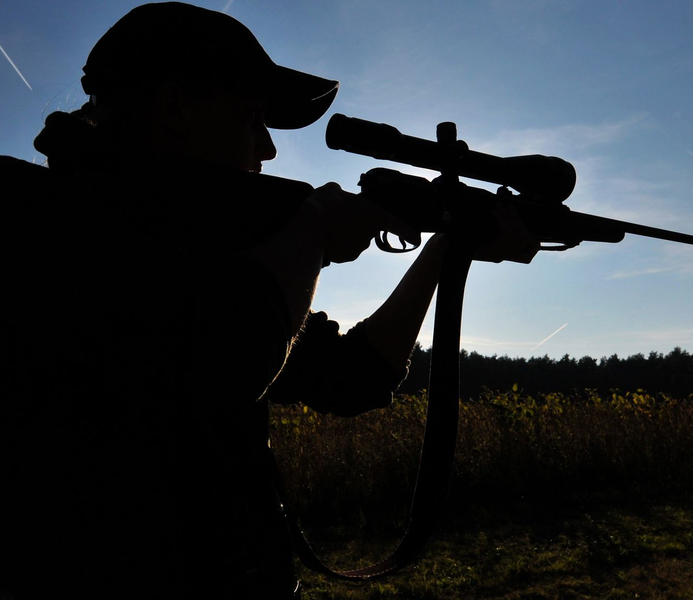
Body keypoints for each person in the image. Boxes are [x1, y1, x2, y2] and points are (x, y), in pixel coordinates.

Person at [0, 3, 538, 599]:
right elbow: (212, 369)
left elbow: (353, 377)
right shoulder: (31, 225)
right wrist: (308, 234)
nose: (269, 149)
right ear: (176, 108)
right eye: (253, 116)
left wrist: (442, 250)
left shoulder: (205, 260)